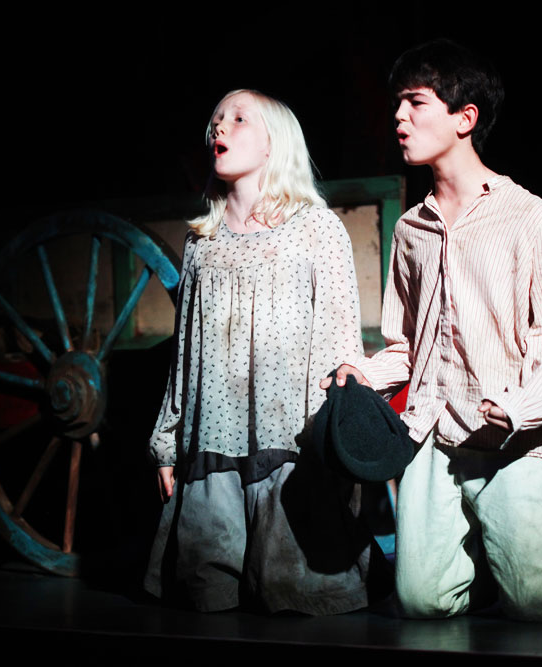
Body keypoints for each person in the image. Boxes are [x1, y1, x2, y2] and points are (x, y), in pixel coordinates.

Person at [322, 39, 542, 621]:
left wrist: (521, 407)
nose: (399, 116)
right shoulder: (411, 230)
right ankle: (493, 559)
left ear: (465, 118)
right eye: (397, 104)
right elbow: (407, 345)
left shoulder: (526, 215)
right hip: (439, 435)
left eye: (416, 102)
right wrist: (361, 372)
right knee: (422, 602)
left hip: (516, 439)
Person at [144, 89, 381, 615]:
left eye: (238, 119)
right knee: (207, 602)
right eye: (215, 119)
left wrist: (336, 437)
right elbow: (184, 357)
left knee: (295, 602)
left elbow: (341, 342)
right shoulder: (201, 243)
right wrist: (167, 443)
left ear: (274, 142)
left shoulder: (315, 228)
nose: (219, 128)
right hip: (213, 444)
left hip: (289, 443)